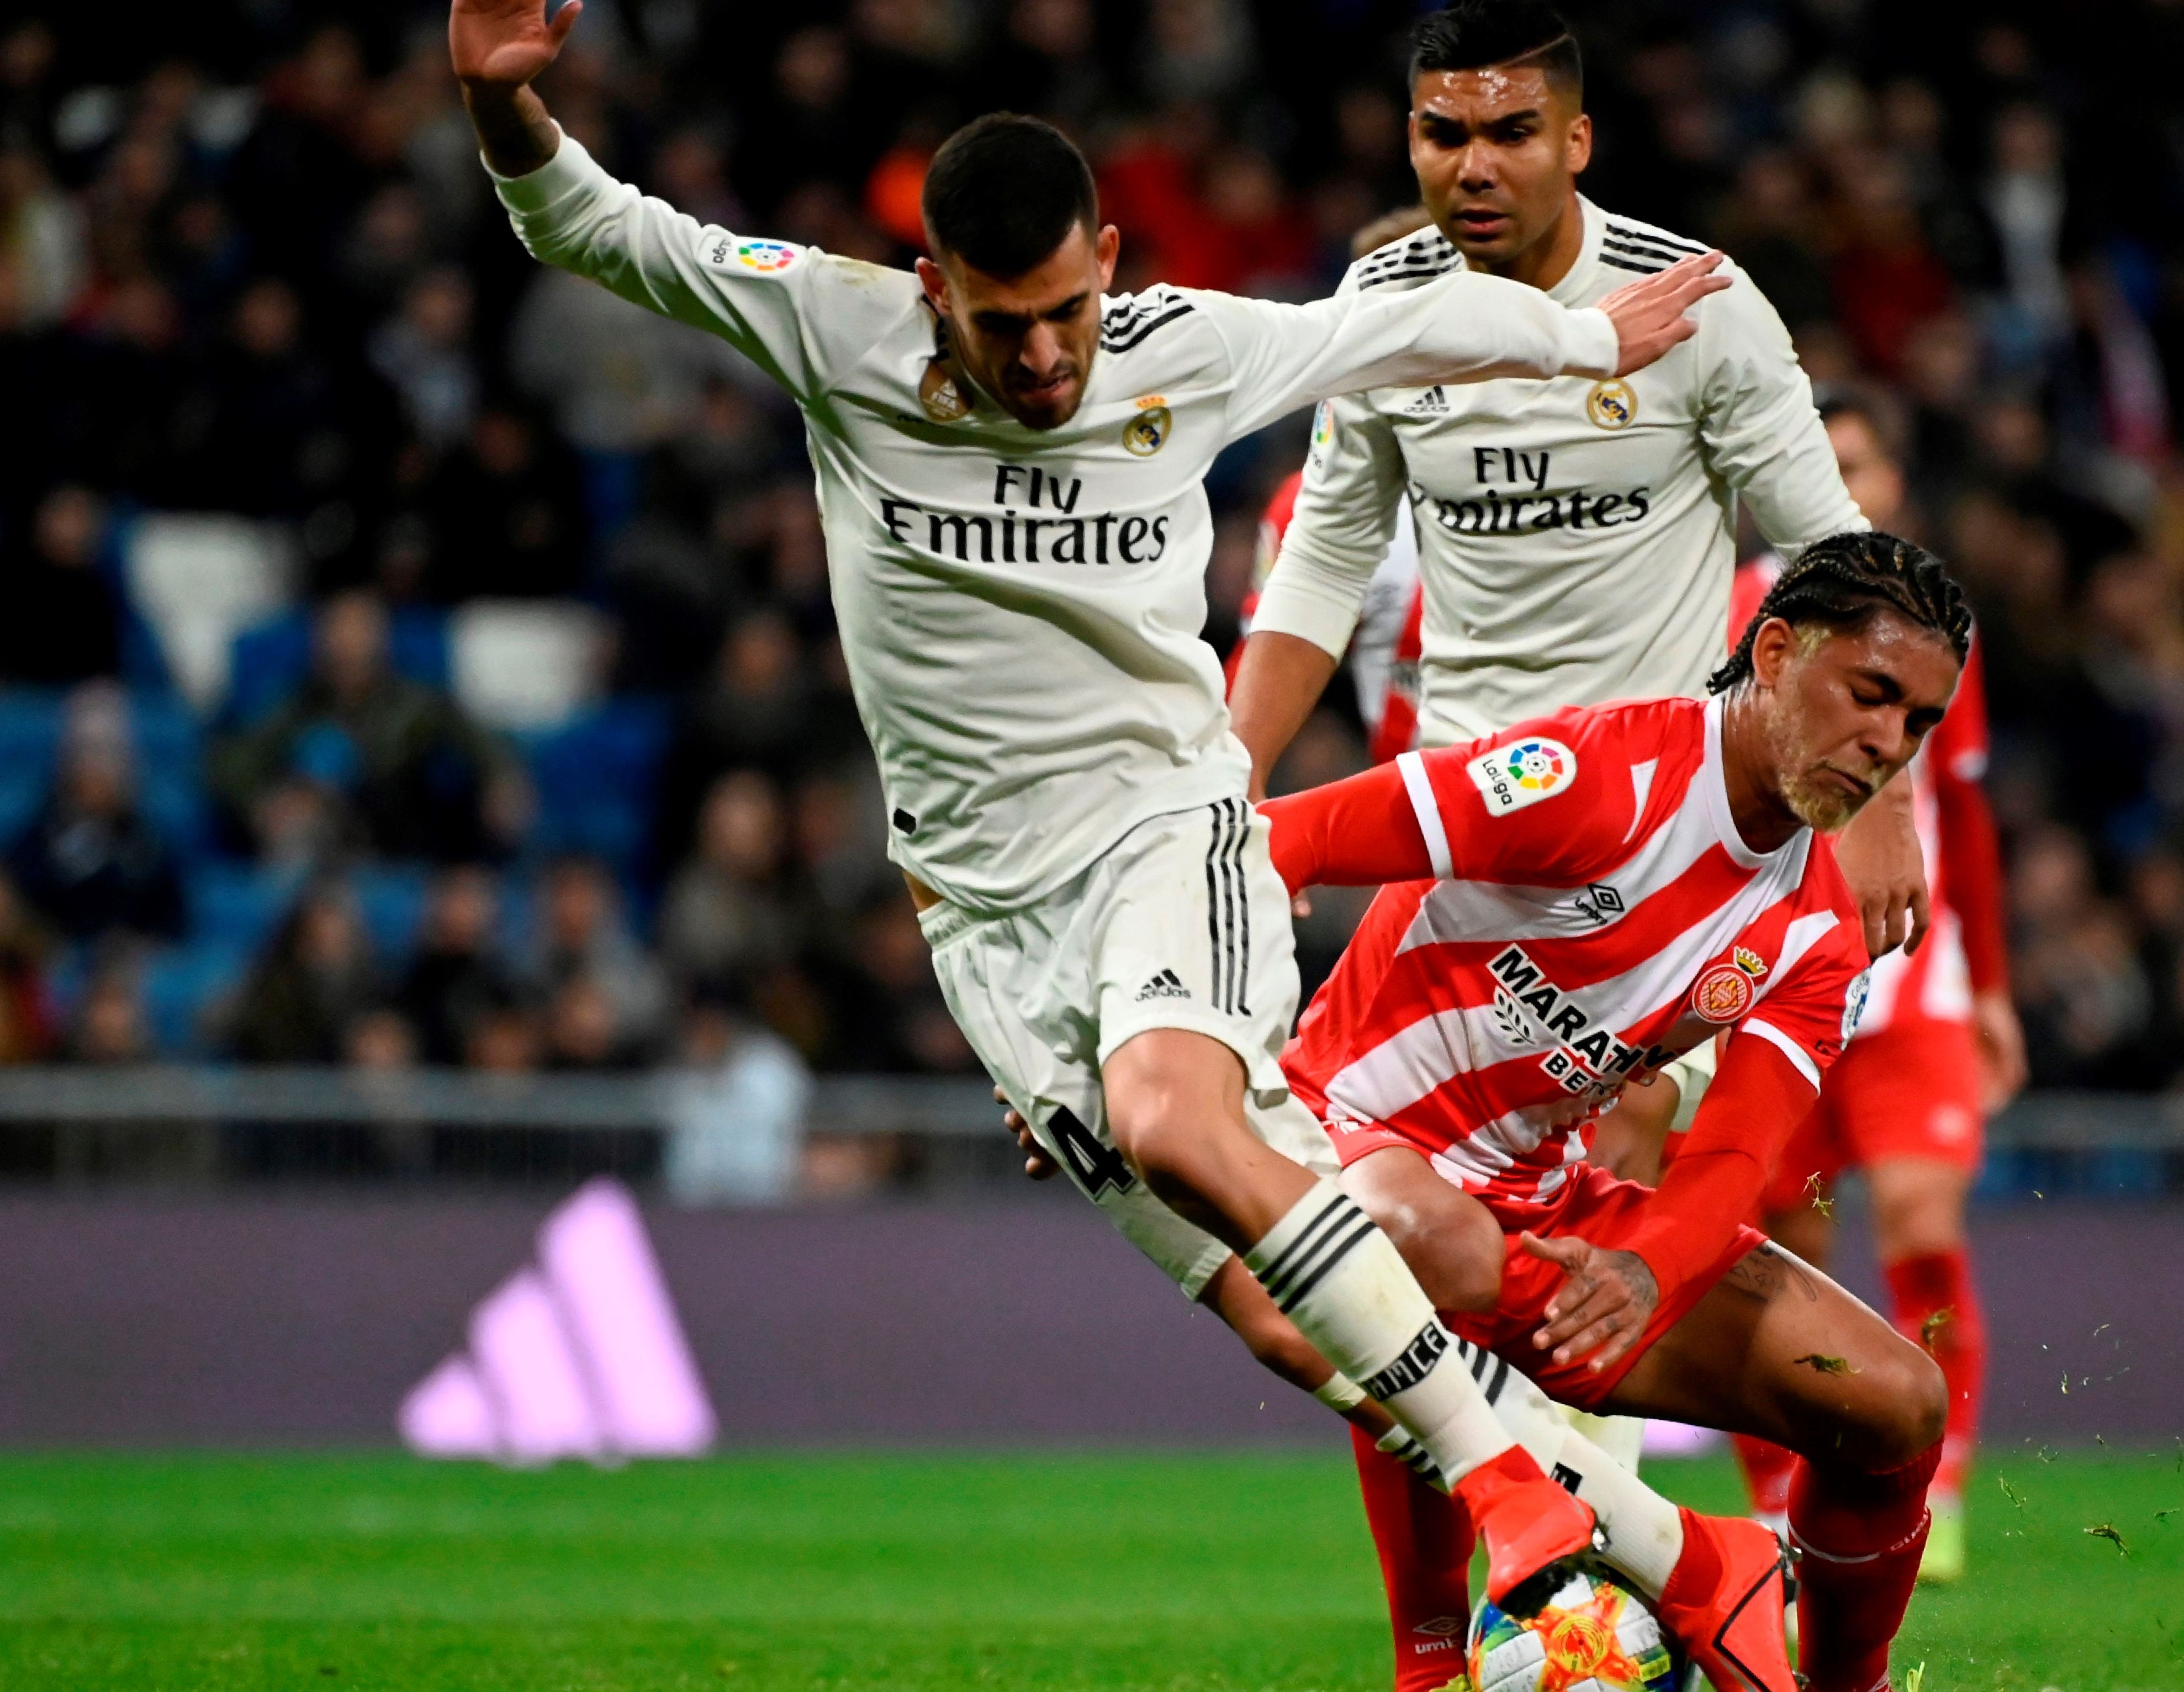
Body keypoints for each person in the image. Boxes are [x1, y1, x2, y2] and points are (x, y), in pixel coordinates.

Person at [452, 0, 1737, 1617]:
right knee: (1290, 1323)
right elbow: (594, 226)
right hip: (991, 927)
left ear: (1111, 261)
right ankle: (1697, 1559)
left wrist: (1590, 339)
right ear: (933, 291)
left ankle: (1503, 1488)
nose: (1048, 358)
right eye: (1006, 329)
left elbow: (1391, 332)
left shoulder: (1184, 349)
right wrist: (501, 107)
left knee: (1176, 1122)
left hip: (1169, 835)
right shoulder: (838, 334)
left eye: (1069, 311)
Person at [1155, 534, 1971, 1692]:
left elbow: (1737, 1148)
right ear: (1778, 651)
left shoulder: (1816, 931)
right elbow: (1280, 841)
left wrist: (1646, 1269)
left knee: (1895, 1400)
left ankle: (1840, 1684)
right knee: (1404, 1226)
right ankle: (1438, 1652)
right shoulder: (1598, 774)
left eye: (1921, 723)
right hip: (1344, 1150)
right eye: (1872, 693)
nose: (1889, 742)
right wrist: (1127, 1036)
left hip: (1534, 1209)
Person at [1227, 0, 1930, 969]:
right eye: (1446, 134)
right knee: (1352, 1118)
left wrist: (1887, 804)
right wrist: (1234, 777)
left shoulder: (1699, 309)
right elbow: (1326, 555)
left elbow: (1842, 557)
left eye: (1513, 133)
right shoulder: (1387, 307)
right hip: (1465, 825)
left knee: (1629, 1122)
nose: (1476, 166)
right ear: (1411, 141)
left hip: (1667, 837)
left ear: (1576, 140)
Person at [1720, 398, 2020, 1586]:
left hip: (1916, 985)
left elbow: (1973, 807)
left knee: (1921, 1223)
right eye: (1826, 463)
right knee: (1771, 1253)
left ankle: (1933, 1488)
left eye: (1865, 461)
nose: (1848, 483)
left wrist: (1992, 986)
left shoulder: (1946, 631)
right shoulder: (1744, 608)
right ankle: (1780, 1511)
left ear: (1895, 477)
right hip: (1778, 984)